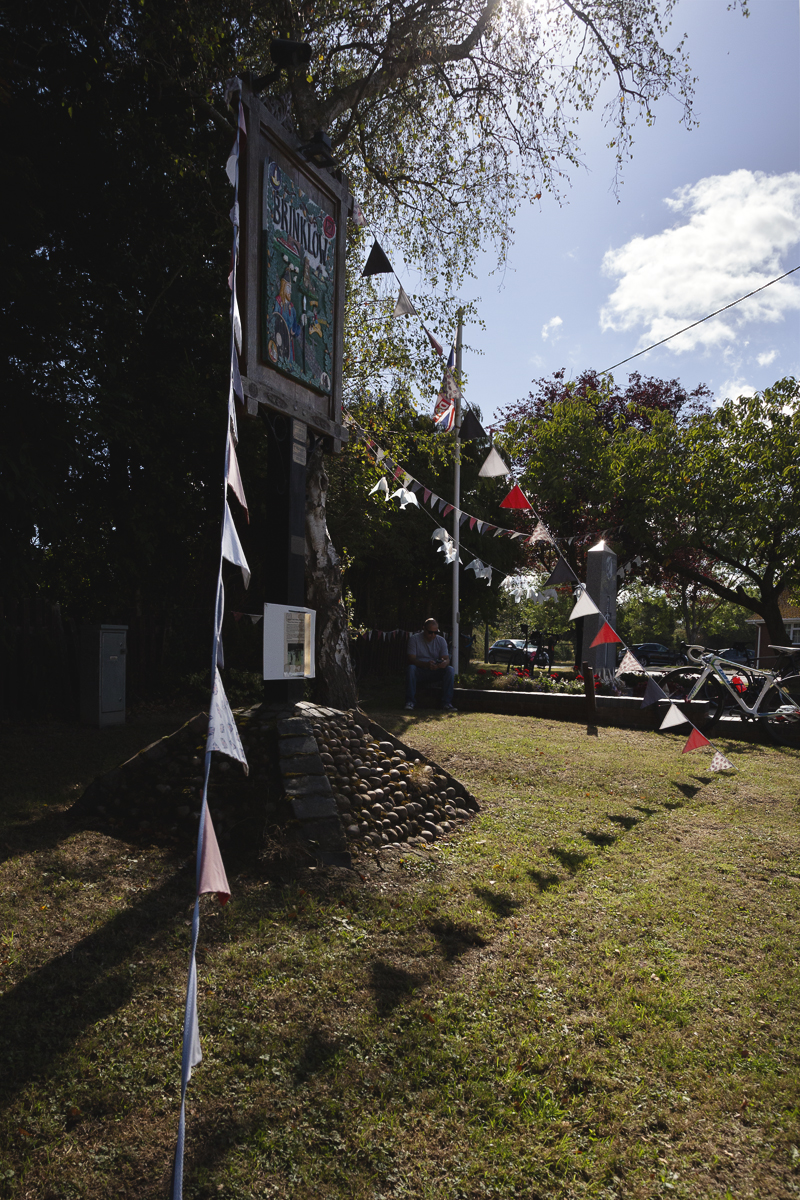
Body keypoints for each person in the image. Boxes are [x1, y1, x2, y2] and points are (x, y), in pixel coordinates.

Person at [405, 618, 456, 711]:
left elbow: (446, 658)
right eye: (430, 632)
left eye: (435, 632)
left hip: (436, 671)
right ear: (424, 629)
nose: (433, 635)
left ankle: (447, 703)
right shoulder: (414, 639)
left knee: (450, 670)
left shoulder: (441, 641)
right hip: (420, 671)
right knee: (411, 669)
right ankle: (410, 702)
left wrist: (444, 663)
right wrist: (426, 664)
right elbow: (411, 659)